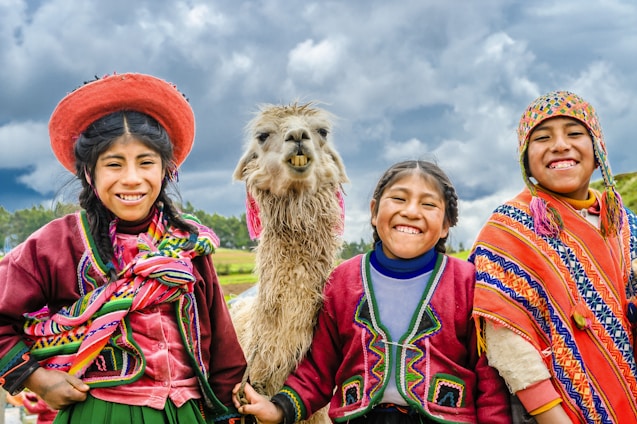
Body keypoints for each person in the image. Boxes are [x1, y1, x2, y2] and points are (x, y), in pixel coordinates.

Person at [0, 73, 248, 423]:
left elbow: (223, 350)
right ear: (90, 173)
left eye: (146, 162)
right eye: (114, 164)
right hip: (99, 412)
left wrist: (229, 411)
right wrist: (37, 380)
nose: (132, 178)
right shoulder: (58, 244)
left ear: (166, 170)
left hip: (187, 412)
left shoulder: (188, 247)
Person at [232, 160, 512, 423]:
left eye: (428, 204)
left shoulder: (466, 283)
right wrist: (278, 408)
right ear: (374, 211)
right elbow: (318, 368)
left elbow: (488, 377)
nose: (411, 211)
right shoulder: (344, 281)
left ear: (446, 227)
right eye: (399, 199)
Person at [470, 90, 637, 423]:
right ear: (526, 158)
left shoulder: (624, 224)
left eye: (575, 133)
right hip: (552, 413)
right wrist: (550, 415)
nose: (560, 145)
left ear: (598, 148)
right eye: (542, 138)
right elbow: (507, 339)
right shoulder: (508, 231)